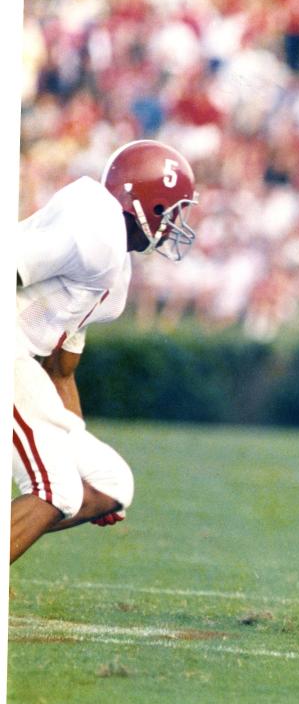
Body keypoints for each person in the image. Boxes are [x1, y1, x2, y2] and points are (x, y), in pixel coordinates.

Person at [11, 139, 199, 564]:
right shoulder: (96, 228)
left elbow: (61, 370)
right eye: (171, 211)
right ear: (146, 206)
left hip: (24, 362)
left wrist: (72, 446)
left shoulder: (116, 269)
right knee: (54, 490)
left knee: (110, 484)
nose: (175, 225)